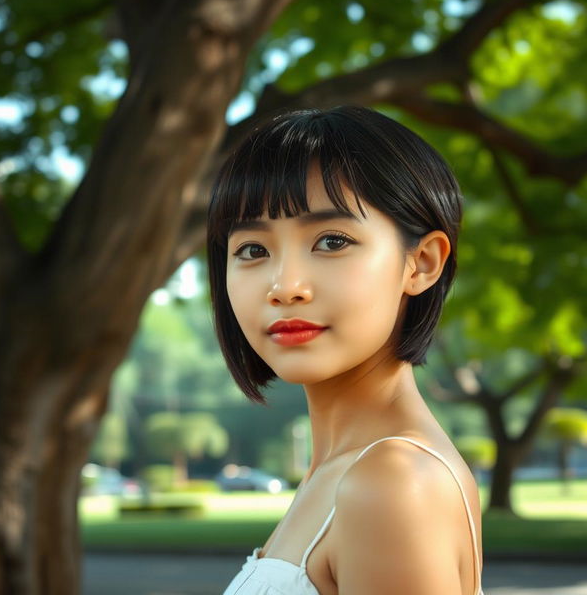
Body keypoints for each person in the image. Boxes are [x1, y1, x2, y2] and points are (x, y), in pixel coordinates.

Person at [206, 105, 484, 595]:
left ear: (421, 262)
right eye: (252, 250)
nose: (284, 286)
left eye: (332, 241)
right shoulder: (342, 472)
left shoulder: (391, 481)